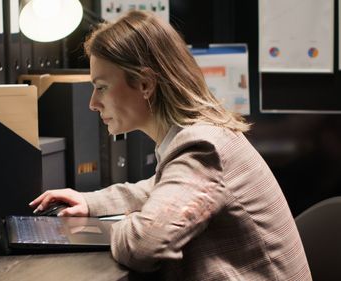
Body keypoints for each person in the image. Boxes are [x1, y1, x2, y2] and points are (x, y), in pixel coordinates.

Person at [29, 10, 311, 280]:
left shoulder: (202, 146)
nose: (93, 103)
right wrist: (91, 203)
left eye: (101, 86)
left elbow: (145, 245)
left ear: (145, 84)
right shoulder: (200, 134)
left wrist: (103, 229)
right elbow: (161, 187)